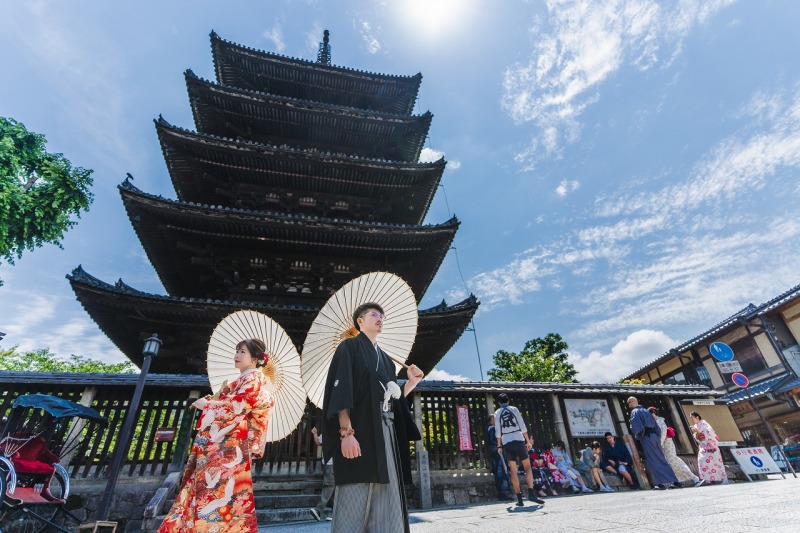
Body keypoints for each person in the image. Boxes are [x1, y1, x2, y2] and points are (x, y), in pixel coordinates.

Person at [321, 302, 424, 533]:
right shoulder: (349, 347)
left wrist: (410, 383)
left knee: (387, 491)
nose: (380, 319)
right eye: (374, 315)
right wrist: (346, 433)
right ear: (360, 321)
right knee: (356, 487)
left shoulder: (386, 360)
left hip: (385, 429)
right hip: (360, 429)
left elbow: (393, 399)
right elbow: (342, 392)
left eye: (382, 316)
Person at [159, 338, 274, 533]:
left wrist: (209, 406)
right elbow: (230, 404)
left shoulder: (253, 379)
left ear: (255, 358)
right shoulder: (241, 380)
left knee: (216, 493)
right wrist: (213, 401)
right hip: (224, 444)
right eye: (236, 351)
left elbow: (238, 407)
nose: (236, 355)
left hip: (229, 449)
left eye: (242, 352)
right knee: (211, 492)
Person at [494, 393, 545, 506]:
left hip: (506, 440)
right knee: (527, 467)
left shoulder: (497, 412)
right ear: (508, 401)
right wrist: (527, 441)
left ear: (498, 403)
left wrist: (499, 445)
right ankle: (531, 493)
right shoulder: (514, 409)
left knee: (513, 471)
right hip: (518, 438)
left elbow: (497, 430)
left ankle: (519, 498)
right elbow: (522, 426)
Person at [627, 397, 679, 490]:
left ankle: (660, 483)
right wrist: (657, 437)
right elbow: (656, 427)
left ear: (632, 402)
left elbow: (636, 427)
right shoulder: (646, 411)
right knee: (661, 458)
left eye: (629, 403)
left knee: (652, 459)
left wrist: (639, 437)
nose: (629, 405)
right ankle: (674, 481)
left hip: (647, 437)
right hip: (655, 436)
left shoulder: (635, 412)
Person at [648, 407, 703, 488]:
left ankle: (694, 478)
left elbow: (662, 434)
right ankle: (676, 481)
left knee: (674, 461)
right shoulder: (656, 422)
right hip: (664, 444)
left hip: (666, 444)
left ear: (653, 413)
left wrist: (659, 444)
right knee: (670, 463)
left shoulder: (659, 421)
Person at [689, 411, 728, 484]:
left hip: (711, 445)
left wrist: (699, 432)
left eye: (692, 418)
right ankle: (707, 479)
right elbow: (696, 436)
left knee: (716, 463)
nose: (692, 419)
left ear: (697, 417)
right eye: (691, 418)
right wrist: (697, 435)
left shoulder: (704, 424)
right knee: (702, 461)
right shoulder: (695, 426)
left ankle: (724, 479)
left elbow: (709, 432)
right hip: (703, 447)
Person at [311, 426, 335, 520]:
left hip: (332, 463)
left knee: (329, 486)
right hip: (326, 464)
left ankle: (318, 509)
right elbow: (318, 442)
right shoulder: (326, 433)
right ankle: (335, 514)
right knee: (332, 488)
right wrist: (315, 434)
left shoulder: (338, 433)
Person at [487, 414, 513, 501]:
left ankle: (502, 492)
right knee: (501, 470)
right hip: (497, 451)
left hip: (494, 451)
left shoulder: (489, 429)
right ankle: (503, 492)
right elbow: (496, 440)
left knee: (499, 470)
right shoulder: (493, 429)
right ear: (491, 420)